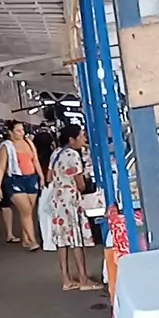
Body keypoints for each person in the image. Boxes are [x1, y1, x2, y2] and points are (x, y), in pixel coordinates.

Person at [47, 124, 103, 292]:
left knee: (62, 240)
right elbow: (80, 184)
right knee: (76, 239)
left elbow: (49, 177)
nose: (83, 139)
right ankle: (84, 279)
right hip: (71, 200)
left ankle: (67, 280)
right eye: (81, 136)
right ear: (72, 139)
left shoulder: (56, 153)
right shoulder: (73, 155)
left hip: (57, 199)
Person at [0, 120, 45, 251]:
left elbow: (35, 160)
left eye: (22, 130)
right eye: (18, 130)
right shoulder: (6, 147)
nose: (21, 133)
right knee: (26, 210)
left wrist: (41, 176)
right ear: (10, 132)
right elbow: (1, 167)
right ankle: (33, 241)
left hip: (31, 178)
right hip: (15, 180)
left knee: (28, 211)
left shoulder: (29, 142)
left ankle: (26, 238)